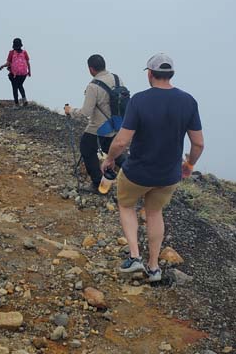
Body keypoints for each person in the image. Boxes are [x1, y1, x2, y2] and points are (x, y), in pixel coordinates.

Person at [101, 53, 204, 282]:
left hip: (137, 172)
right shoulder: (188, 101)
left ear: (150, 74)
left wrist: (109, 160)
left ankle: (135, 256)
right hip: (168, 174)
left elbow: (121, 141)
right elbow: (198, 143)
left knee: (126, 206)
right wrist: (189, 165)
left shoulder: (139, 100)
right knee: (155, 213)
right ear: (171, 74)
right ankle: (154, 267)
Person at [71, 54, 126, 191]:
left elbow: (85, 113)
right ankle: (136, 175)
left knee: (86, 147)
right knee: (113, 150)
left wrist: (70, 111)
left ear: (91, 69)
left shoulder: (93, 86)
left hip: (99, 127)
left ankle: (97, 183)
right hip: (116, 123)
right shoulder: (117, 78)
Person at [0, 38, 30, 106]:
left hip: (15, 74)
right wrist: (29, 71)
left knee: (15, 87)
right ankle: (24, 99)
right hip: (23, 73)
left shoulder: (11, 52)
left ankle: (16, 103)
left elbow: (8, 63)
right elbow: (28, 63)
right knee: (20, 85)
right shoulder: (24, 52)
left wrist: (2, 66)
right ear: (21, 44)